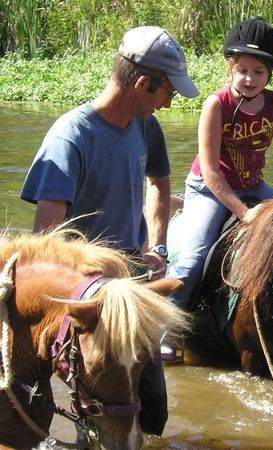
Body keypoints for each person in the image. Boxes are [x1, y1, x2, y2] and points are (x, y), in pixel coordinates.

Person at [20, 25, 199, 436]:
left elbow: (159, 181)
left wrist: (157, 245)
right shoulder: (70, 138)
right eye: (167, 92)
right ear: (142, 82)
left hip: (131, 288)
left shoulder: (144, 125)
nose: (169, 103)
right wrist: (86, 300)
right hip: (88, 300)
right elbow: (44, 245)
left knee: (152, 410)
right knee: (98, 412)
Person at [165, 17, 273, 343]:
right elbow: (211, 171)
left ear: (270, 73)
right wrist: (243, 212)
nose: (250, 78)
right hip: (209, 188)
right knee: (194, 258)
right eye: (242, 69)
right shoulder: (216, 105)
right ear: (230, 68)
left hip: (254, 185)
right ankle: (163, 333)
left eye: (258, 71)